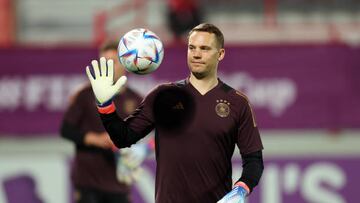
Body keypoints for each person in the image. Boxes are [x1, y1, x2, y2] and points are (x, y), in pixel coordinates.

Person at [86, 23, 264, 203]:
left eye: (204, 48)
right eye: (191, 48)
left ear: (221, 54)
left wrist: (241, 189)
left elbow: (254, 161)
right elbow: (123, 137)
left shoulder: (238, 103)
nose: (196, 54)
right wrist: (105, 105)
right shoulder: (163, 96)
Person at [60, 40, 152, 203]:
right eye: (105, 62)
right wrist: (96, 139)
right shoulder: (86, 94)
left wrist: (139, 149)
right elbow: (66, 129)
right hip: (88, 182)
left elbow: (156, 132)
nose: (108, 66)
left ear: (125, 64)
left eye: (113, 62)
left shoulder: (136, 99)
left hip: (119, 184)